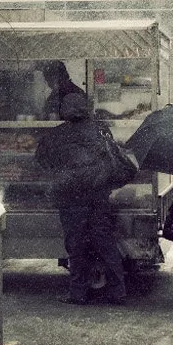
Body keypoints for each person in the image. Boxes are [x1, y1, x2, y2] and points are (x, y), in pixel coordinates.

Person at [35, 90, 130, 305]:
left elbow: (41, 160)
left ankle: (78, 292)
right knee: (105, 242)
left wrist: (63, 172)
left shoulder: (56, 135)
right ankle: (118, 291)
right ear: (86, 109)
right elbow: (113, 158)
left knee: (76, 246)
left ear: (64, 111)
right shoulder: (100, 131)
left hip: (70, 198)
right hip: (98, 196)